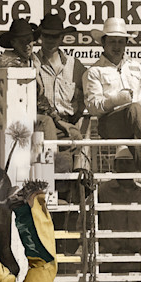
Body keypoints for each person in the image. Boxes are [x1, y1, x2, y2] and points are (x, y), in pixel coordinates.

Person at [84, 17, 141, 164]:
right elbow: (93, 107)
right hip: (110, 124)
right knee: (134, 108)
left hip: (138, 123)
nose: (117, 46)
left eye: (121, 41)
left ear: (126, 43)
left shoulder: (136, 67)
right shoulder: (94, 71)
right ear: (103, 43)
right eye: (112, 41)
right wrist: (117, 100)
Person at [34, 12, 88, 202]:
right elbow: (35, 101)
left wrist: (77, 121)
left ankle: (82, 181)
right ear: (41, 37)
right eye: (47, 36)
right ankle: (53, 189)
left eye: (54, 36)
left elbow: (86, 95)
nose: (50, 40)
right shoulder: (33, 62)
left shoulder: (75, 65)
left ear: (62, 37)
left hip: (68, 124)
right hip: (42, 125)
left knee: (85, 126)